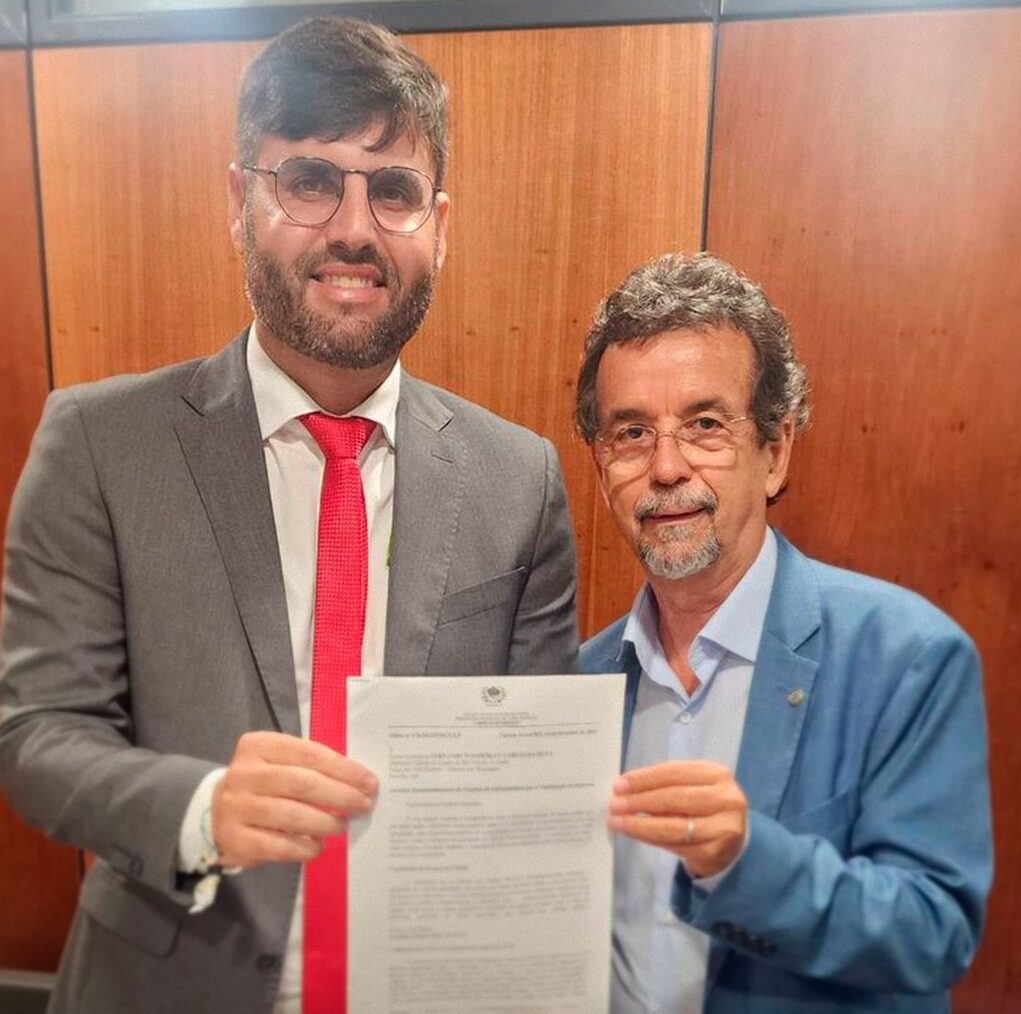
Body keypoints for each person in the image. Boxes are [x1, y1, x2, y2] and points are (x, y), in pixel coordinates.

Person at [0, 17, 577, 1014]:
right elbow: (36, 733)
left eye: (392, 190)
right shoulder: (99, 443)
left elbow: (530, 770)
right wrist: (202, 807)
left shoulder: (519, 477)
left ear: (437, 222)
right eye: (309, 181)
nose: (354, 228)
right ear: (240, 200)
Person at [577, 252, 991, 1013]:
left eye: (704, 426)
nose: (665, 468)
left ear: (774, 453)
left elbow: (933, 933)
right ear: (603, 470)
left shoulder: (907, 657)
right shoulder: (576, 684)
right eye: (631, 433)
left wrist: (744, 862)